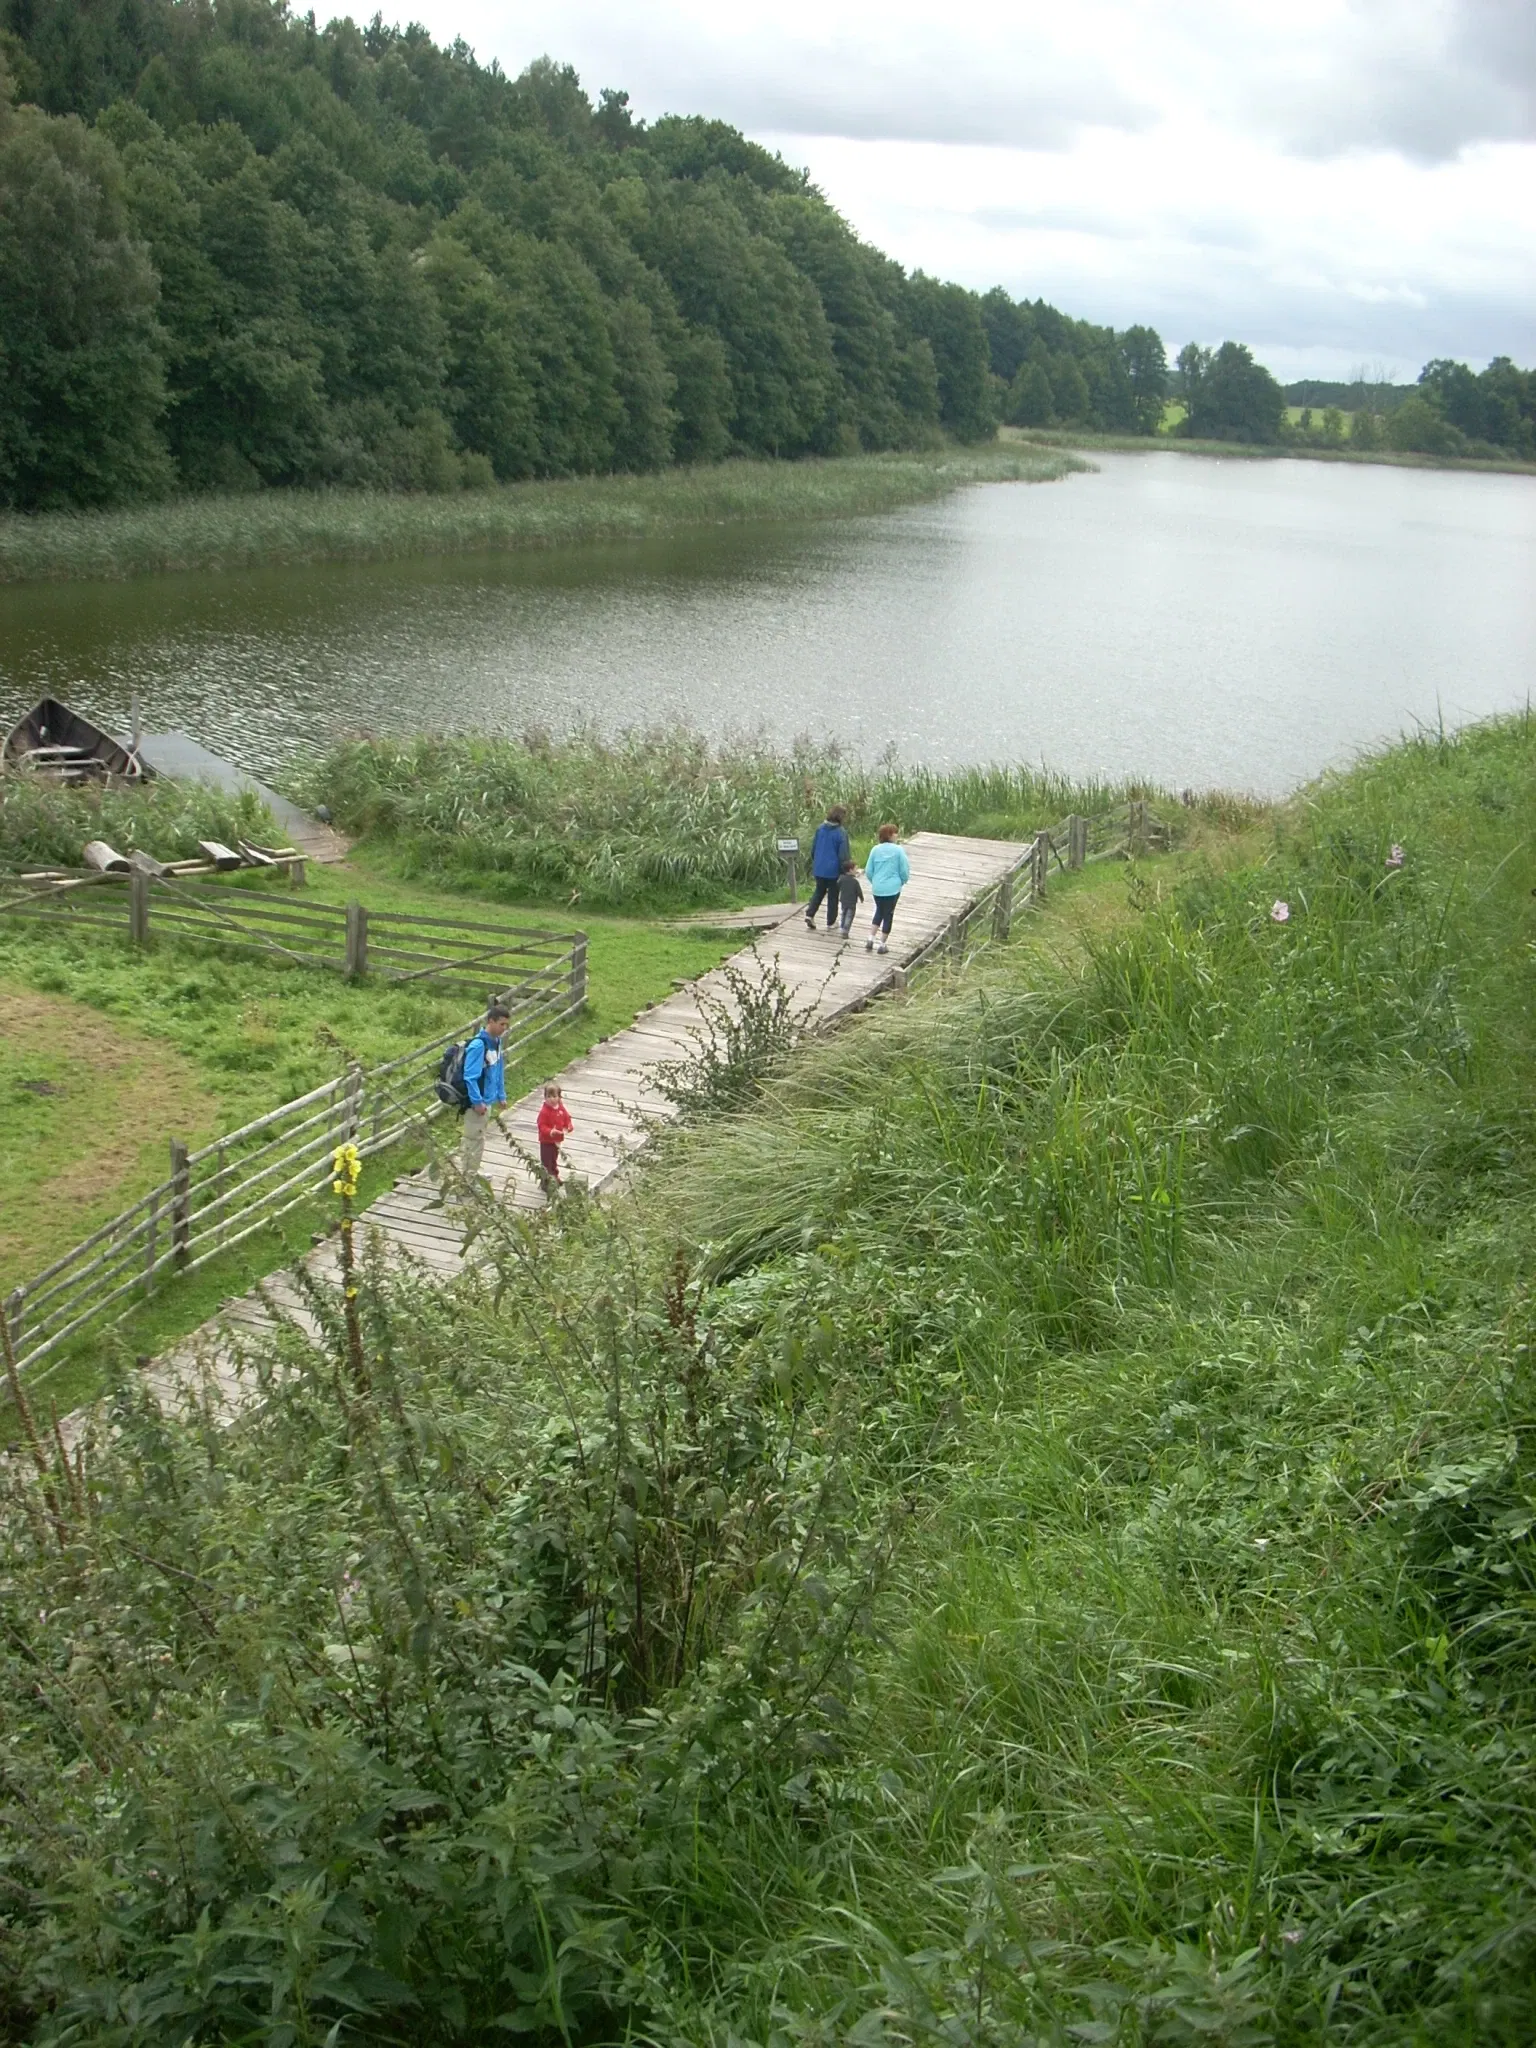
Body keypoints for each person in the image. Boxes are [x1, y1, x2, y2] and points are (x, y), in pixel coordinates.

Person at [459, 1004, 510, 1180]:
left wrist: (500, 1095)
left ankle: (472, 1172)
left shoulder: (496, 1043)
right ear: (491, 1021)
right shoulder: (478, 1046)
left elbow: (498, 1069)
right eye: (501, 1024)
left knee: (479, 1139)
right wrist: (477, 1101)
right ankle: (468, 1179)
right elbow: (470, 1077)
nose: (504, 1029)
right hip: (477, 1103)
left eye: (506, 1025)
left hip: (487, 1100)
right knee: (472, 1139)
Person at [863, 823, 910, 954]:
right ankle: (882, 944)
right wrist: (902, 881)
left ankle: (870, 938)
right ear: (889, 835)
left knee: (879, 911)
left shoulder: (875, 850)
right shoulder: (898, 850)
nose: (897, 835)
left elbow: (868, 870)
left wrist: (875, 881)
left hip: (877, 888)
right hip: (892, 888)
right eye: (895, 833)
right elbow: (904, 869)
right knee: (888, 914)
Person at [804, 805, 851, 932]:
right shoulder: (841, 832)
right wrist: (846, 869)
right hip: (833, 870)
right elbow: (843, 854)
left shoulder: (820, 829)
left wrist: (816, 862)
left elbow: (813, 849)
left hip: (819, 868)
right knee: (833, 895)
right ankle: (831, 922)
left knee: (819, 891)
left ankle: (810, 914)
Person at [537, 1082, 573, 1186]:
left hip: (557, 1140)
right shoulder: (544, 1111)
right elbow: (541, 1125)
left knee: (553, 1159)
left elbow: (567, 1118)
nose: (551, 1099)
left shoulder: (561, 1108)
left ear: (559, 1097)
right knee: (546, 1161)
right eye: (548, 1096)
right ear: (545, 1097)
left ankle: (555, 1176)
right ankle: (546, 1182)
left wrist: (569, 1125)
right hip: (546, 1141)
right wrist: (550, 1132)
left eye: (554, 1096)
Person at [836, 858, 864, 939]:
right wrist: (861, 898)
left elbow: (837, 886)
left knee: (844, 913)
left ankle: (842, 927)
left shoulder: (841, 879)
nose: (856, 870)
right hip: (852, 902)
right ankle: (845, 930)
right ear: (850, 870)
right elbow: (859, 891)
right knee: (849, 916)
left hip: (843, 900)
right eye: (855, 869)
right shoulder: (855, 882)